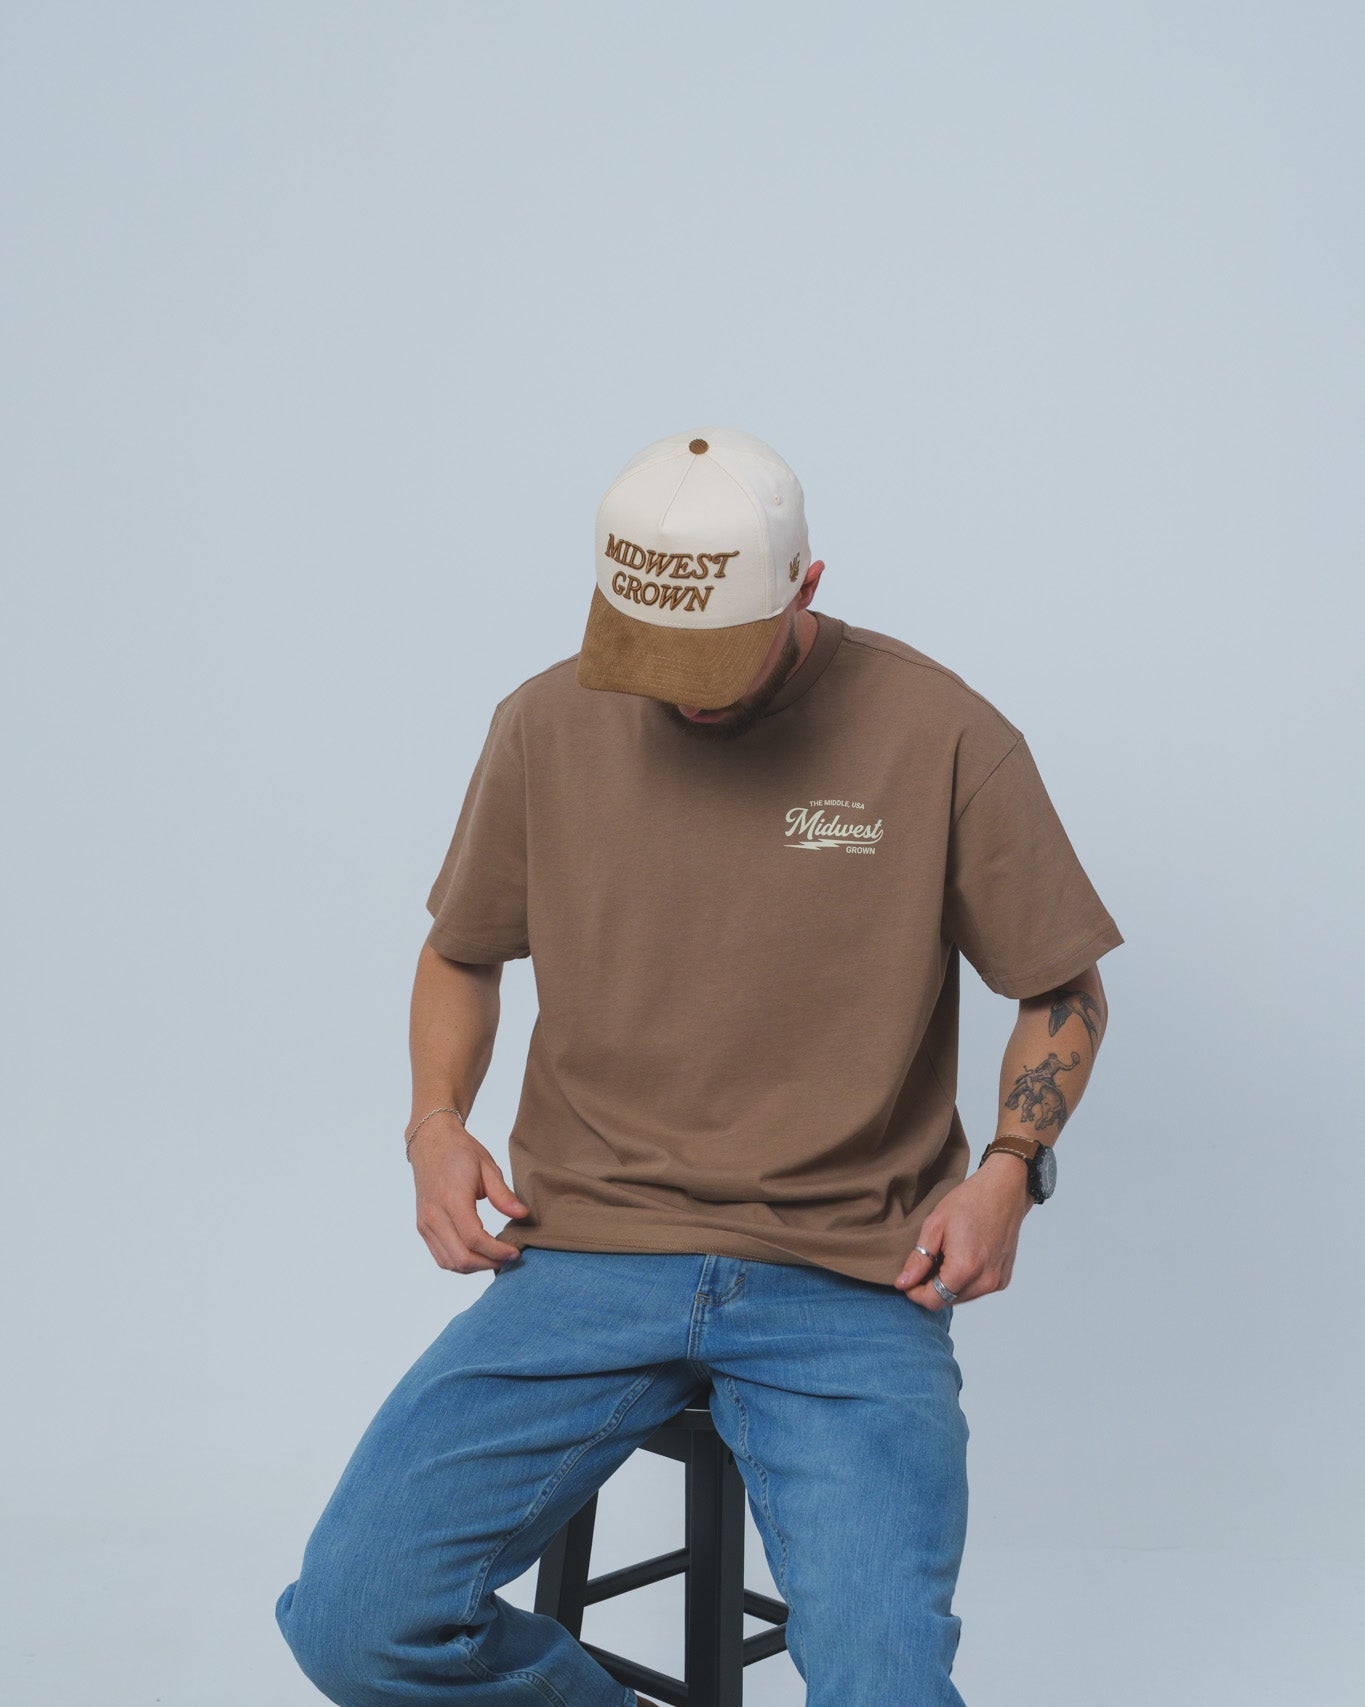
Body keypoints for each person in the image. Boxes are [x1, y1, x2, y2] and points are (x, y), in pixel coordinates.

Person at [275, 427, 1124, 1707]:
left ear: (807, 585)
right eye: (652, 655)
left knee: (887, 1686)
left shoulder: (943, 733)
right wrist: (433, 1126)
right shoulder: (547, 722)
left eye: (717, 656)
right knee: (355, 1619)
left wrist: (1011, 1168)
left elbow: (1061, 987)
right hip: (584, 1253)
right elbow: (461, 953)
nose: (685, 693)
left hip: (850, 1270)